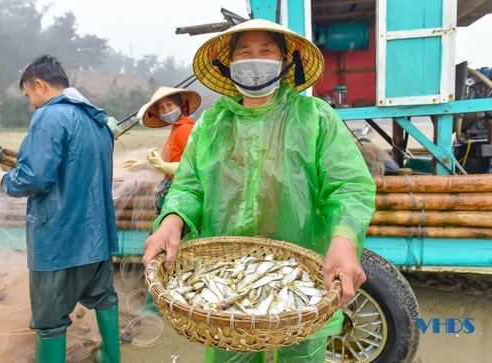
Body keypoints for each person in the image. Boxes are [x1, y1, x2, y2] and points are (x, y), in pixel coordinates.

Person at [141, 19, 376, 363]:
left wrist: (344, 241)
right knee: (229, 354)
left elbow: (349, 186)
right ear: (229, 64)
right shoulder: (210, 125)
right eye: (244, 52)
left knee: (301, 353)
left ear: (285, 61)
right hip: (224, 274)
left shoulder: (315, 117)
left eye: (266, 50)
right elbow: (189, 186)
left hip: (302, 272)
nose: (255, 59)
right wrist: (171, 221)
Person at [0, 55, 120, 363]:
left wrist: (4, 180)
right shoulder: (97, 120)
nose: (31, 103)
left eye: (28, 95)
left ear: (39, 85)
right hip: (97, 238)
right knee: (104, 298)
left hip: (57, 241)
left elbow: (35, 177)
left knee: (50, 320)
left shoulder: (50, 116)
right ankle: (110, 357)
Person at [123, 86, 201, 216]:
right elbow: (171, 165)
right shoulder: (176, 128)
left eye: (169, 104)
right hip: (173, 189)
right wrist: (145, 164)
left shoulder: (185, 129)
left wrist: (161, 165)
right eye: (161, 107)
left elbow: (192, 167)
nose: (166, 110)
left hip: (183, 193)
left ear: (181, 105)